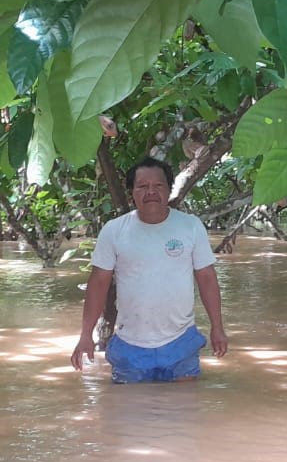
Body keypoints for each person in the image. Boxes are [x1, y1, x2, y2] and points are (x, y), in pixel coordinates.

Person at [70, 157, 228, 382]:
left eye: (158, 186)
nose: (151, 192)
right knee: (128, 410)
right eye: (142, 186)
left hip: (181, 341)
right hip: (130, 344)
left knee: (187, 411)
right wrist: (85, 336)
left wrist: (217, 327)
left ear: (169, 189)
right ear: (131, 193)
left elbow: (207, 279)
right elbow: (98, 284)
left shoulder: (190, 226)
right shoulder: (114, 231)